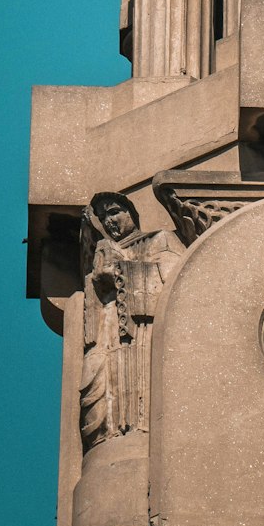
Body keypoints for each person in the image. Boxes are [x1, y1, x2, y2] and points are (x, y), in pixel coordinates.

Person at [79, 192, 184, 450]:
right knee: (96, 389)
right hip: (106, 329)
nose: (109, 221)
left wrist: (121, 267)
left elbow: (176, 285)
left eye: (114, 212)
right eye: (103, 217)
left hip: (143, 331)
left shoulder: (159, 240)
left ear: (131, 214)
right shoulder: (103, 250)